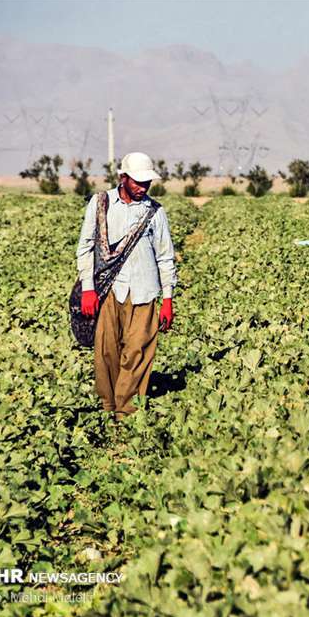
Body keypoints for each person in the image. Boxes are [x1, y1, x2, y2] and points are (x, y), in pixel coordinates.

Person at [76, 152, 177, 420]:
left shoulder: (155, 212)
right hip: (109, 290)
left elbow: (165, 257)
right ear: (123, 178)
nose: (143, 187)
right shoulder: (101, 203)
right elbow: (85, 247)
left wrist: (167, 300)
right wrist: (88, 289)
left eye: (147, 183)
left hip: (144, 292)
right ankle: (108, 406)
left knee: (137, 353)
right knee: (107, 352)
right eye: (138, 182)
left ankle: (126, 412)